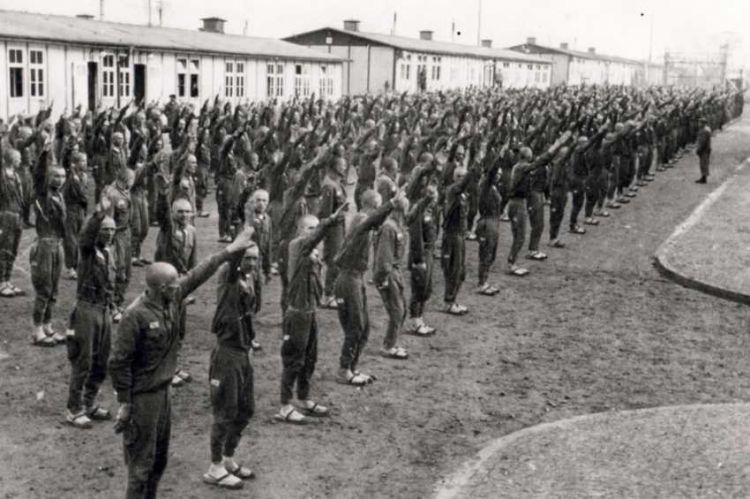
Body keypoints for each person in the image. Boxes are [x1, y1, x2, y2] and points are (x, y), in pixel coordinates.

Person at [108, 226, 257, 499]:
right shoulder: (134, 316)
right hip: (143, 399)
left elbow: (200, 273)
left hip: (163, 394)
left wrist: (229, 251)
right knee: (140, 467)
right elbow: (118, 363)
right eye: (174, 283)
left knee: (158, 463)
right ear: (160, 288)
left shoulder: (171, 298)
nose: (181, 286)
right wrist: (126, 403)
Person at [275, 202, 348, 425]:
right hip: (297, 313)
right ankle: (285, 405)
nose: (315, 232)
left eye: (316, 227)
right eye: (310, 228)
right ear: (300, 231)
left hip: (310, 311)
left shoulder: (313, 252)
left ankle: (304, 398)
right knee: (294, 360)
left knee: (310, 358)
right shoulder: (297, 246)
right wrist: (328, 222)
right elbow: (312, 240)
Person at [203, 244, 260, 490]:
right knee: (225, 412)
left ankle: (227, 457)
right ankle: (214, 467)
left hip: (243, 352)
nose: (250, 263)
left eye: (254, 259)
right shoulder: (228, 279)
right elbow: (233, 262)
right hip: (227, 354)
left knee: (246, 408)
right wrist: (245, 235)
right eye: (246, 258)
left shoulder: (250, 279)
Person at [334, 189, 399, 386]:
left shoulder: (365, 221)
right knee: (356, 326)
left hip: (357, 277)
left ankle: (352, 368)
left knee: (364, 327)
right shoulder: (362, 219)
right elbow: (372, 222)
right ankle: (343, 370)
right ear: (374, 206)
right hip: (349, 278)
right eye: (379, 207)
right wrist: (392, 204)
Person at [65, 197, 116, 428]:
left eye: (112, 230)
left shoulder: (108, 253)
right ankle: (73, 408)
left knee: (101, 361)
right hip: (86, 310)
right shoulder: (88, 251)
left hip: (103, 311)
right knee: (83, 361)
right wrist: (98, 216)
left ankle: (90, 402)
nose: (109, 233)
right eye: (105, 229)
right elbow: (85, 237)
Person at [30, 150, 67, 345]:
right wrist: (44, 152)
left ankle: (48, 326)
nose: (60, 179)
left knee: (53, 289)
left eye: (62, 176)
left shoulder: (59, 195)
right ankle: (37, 331)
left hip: (57, 245)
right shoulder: (42, 195)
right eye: (56, 176)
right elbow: (39, 176)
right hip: (44, 245)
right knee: (43, 290)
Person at [373, 192, 411, 359]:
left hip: (395, 271)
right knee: (397, 311)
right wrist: (383, 279)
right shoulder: (389, 227)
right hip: (389, 273)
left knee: (402, 309)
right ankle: (388, 346)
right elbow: (383, 257)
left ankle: (392, 342)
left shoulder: (397, 226)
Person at [318, 156, 348, 309]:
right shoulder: (329, 186)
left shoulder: (337, 183)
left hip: (339, 226)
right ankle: (327, 295)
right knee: (333, 261)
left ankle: (332, 292)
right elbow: (325, 213)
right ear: (334, 166)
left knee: (338, 260)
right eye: (342, 165)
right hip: (333, 228)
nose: (345, 167)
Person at [0, 147, 27, 298]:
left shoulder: (16, 175)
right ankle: (1, 282)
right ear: (11, 159)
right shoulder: (2, 176)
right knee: (4, 249)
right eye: (18, 158)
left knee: (13, 250)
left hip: (17, 216)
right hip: (5, 216)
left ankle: (7, 280)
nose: (20, 160)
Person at [62, 151, 89, 280]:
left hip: (80, 210)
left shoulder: (83, 176)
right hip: (72, 209)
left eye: (85, 160)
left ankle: (77, 264)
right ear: (75, 163)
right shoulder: (72, 178)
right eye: (82, 161)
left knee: (80, 237)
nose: (85, 163)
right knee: (71, 239)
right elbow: (79, 195)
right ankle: (70, 267)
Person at [695, 116, 712, 184]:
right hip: (706, 149)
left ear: (702, 123)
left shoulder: (704, 131)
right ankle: (703, 176)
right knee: (704, 163)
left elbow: (702, 142)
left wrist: (699, 149)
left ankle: (704, 177)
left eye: (700, 123)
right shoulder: (705, 130)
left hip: (704, 149)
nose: (698, 124)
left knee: (703, 163)